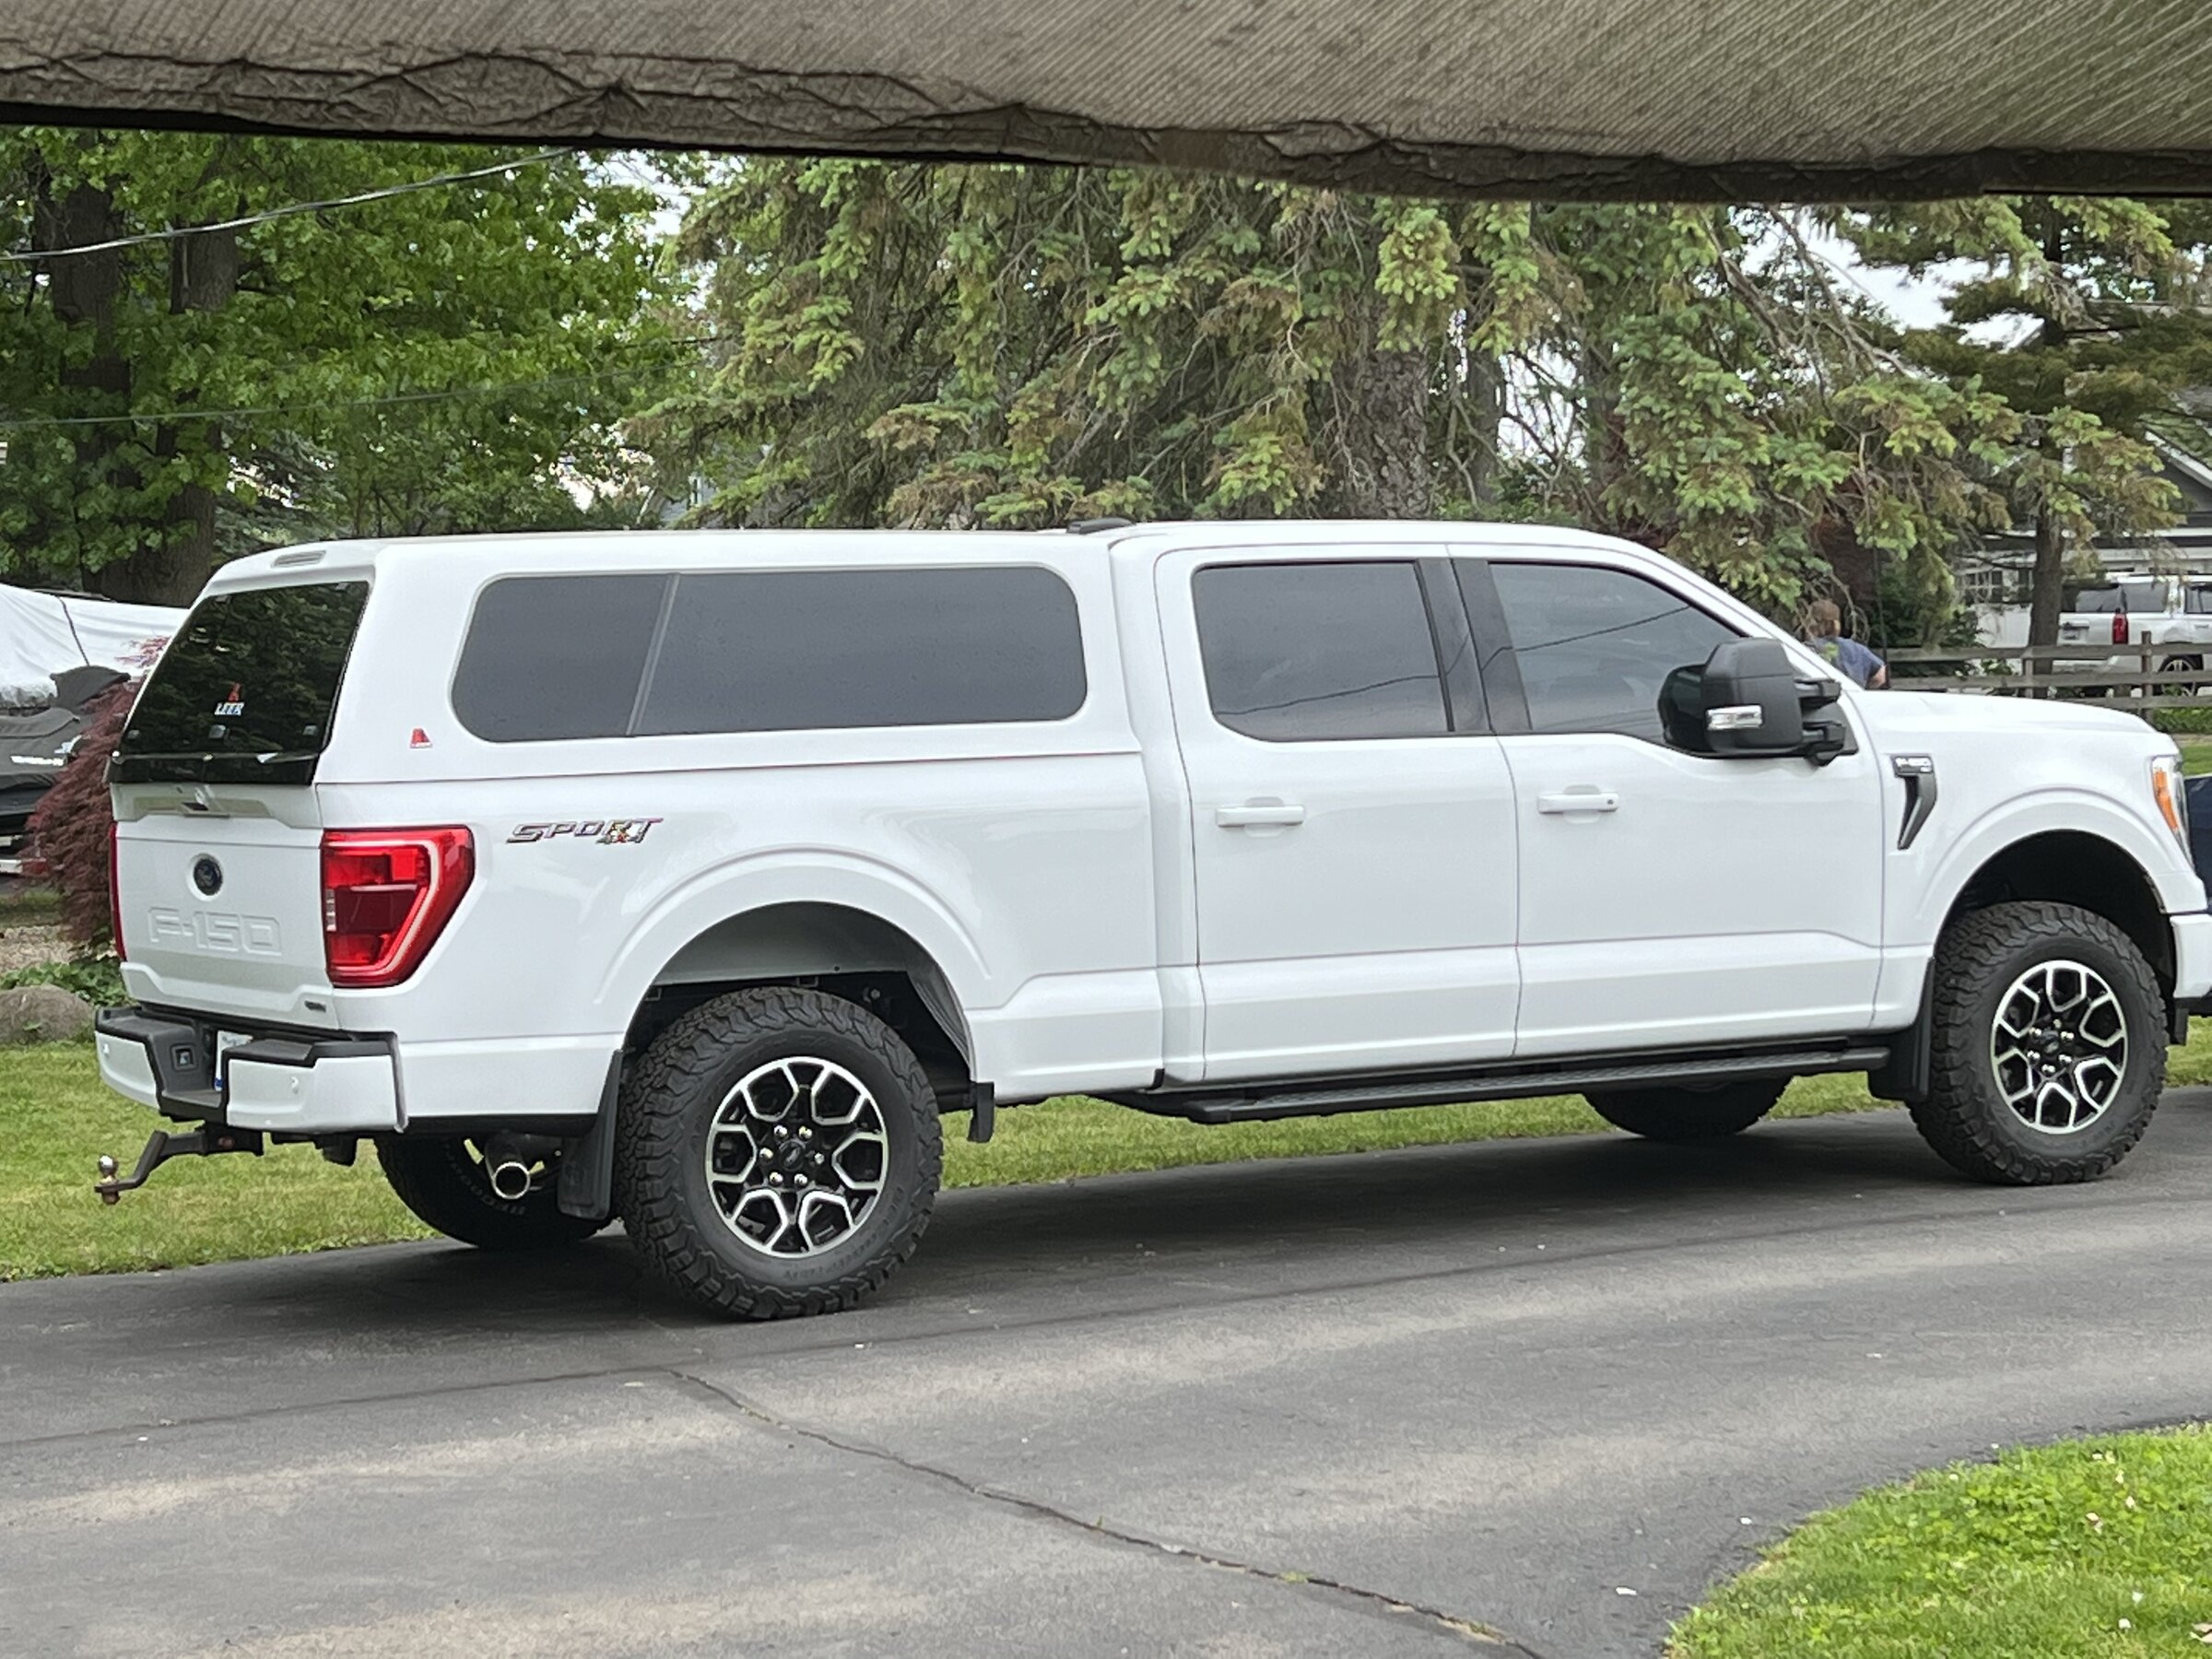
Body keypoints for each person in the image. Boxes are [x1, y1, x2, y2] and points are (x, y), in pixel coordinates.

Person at [1803, 597, 1888, 688]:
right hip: (1853, 698)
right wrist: (1864, 688)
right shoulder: (1856, 648)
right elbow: (1880, 676)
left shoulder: (1807, 649)